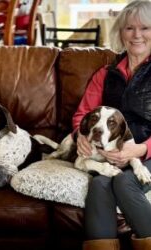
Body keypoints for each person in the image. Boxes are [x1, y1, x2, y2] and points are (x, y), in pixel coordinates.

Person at [72, 1, 151, 250]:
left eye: (145, 28)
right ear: (121, 33)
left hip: (146, 153)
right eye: (129, 28)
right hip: (109, 154)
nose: (137, 35)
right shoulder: (105, 74)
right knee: (98, 183)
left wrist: (140, 150)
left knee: (125, 182)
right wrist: (80, 137)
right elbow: (82, 115)